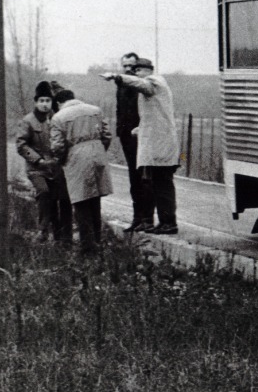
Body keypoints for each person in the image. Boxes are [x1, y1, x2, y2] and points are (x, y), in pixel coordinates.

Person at [102, 57, 178, 234]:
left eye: (137, 70)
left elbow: (140, 84)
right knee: (160, 184)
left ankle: (169, 222)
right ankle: (164, 222)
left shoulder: (154, 82)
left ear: (147, 70)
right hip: (158, 143)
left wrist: (117, 77)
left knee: (162, 184)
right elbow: (154, 116)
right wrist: (140, 129)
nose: (134, 73)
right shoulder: (155, 87)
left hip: (160, 146)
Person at [48, 87, 113, 252]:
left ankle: (88, 246)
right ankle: (98, 240)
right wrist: (98, 150)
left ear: (59, 103)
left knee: (80, 202)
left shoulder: (58, 117)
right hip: (98, 154)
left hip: (76, 157)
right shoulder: (95, 110)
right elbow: (107, 135)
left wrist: (62, 161)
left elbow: (57, 146)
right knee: (95, 200)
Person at [14, 80, 72, 243]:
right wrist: (38, 160)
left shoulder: (55, 119)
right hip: (36, 169)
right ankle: (43, 230)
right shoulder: (28, 121)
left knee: (60, 199)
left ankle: (61, 236)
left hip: (54, 168)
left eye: (48, 101)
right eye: (41, 101)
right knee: (44, 193)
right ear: (36, 102)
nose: (45, 104)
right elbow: (21, 144)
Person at [108, 52, 154, 232]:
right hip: (126, 136)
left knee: (145, 178)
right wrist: (120, 131)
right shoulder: (120, 85)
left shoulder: (140, 85)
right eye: (125, 66)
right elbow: (120, 110)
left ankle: (148, 218)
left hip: (141, 136)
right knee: (133, 178)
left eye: (131, 66)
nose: (128, 69)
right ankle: (137, 218)